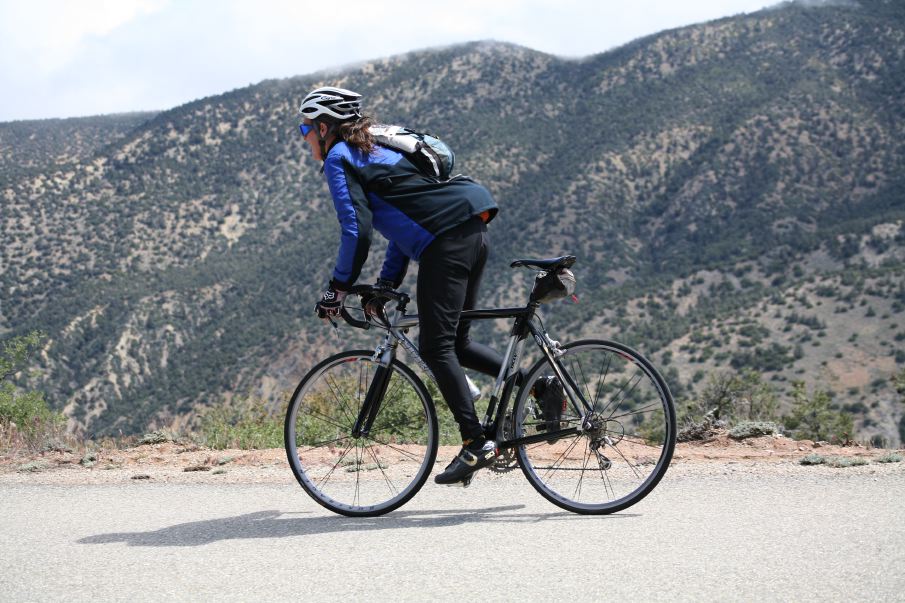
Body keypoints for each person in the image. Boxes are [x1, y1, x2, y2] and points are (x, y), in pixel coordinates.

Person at [299, 86, 504, 485]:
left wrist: (337, 289)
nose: (303, 135)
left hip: (445, 242)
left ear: (324, 127)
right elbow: (403, 223)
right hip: (472, 231)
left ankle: (476, 443)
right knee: (456, 344)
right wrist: (385, 282)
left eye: (304, 127)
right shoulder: (377, 151)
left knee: (434, 345)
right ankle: (539, 384)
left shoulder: (341, 157)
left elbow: (356, 232)